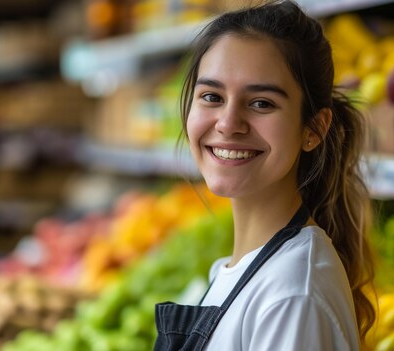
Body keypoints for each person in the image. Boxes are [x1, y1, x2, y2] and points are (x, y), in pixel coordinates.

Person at [154, 1, 376, 350]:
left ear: (313, 129)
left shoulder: (292, 297)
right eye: (212, 96)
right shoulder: (239, 269)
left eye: (261, 103)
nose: (228, 124)